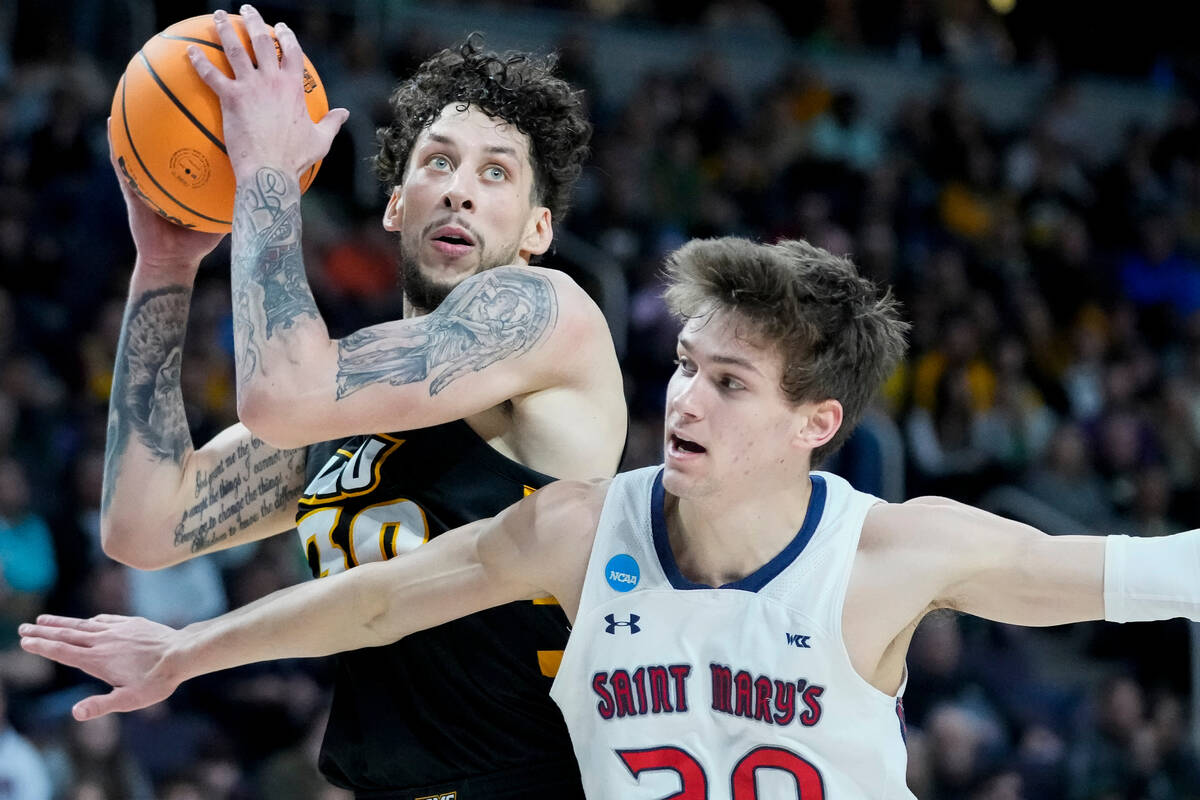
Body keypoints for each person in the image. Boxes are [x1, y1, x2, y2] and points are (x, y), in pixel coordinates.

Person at [24, 235, 1200, 798]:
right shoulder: (583, 532)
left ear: (816, 423)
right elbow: (381, 597)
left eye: (729, 382)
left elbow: (1145, 572)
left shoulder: (895, 552)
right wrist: (186, 648)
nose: (683, 394)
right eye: (686, 364)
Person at [96, 6, 623, 799]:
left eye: (496, 172)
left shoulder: (547, 311)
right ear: (394, 206)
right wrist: (167, 263)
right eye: (438, 163)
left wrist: (267, 170)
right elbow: (143, 525)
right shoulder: (352, 404)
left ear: (538, 229)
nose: (460, 193)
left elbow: (281, 389)